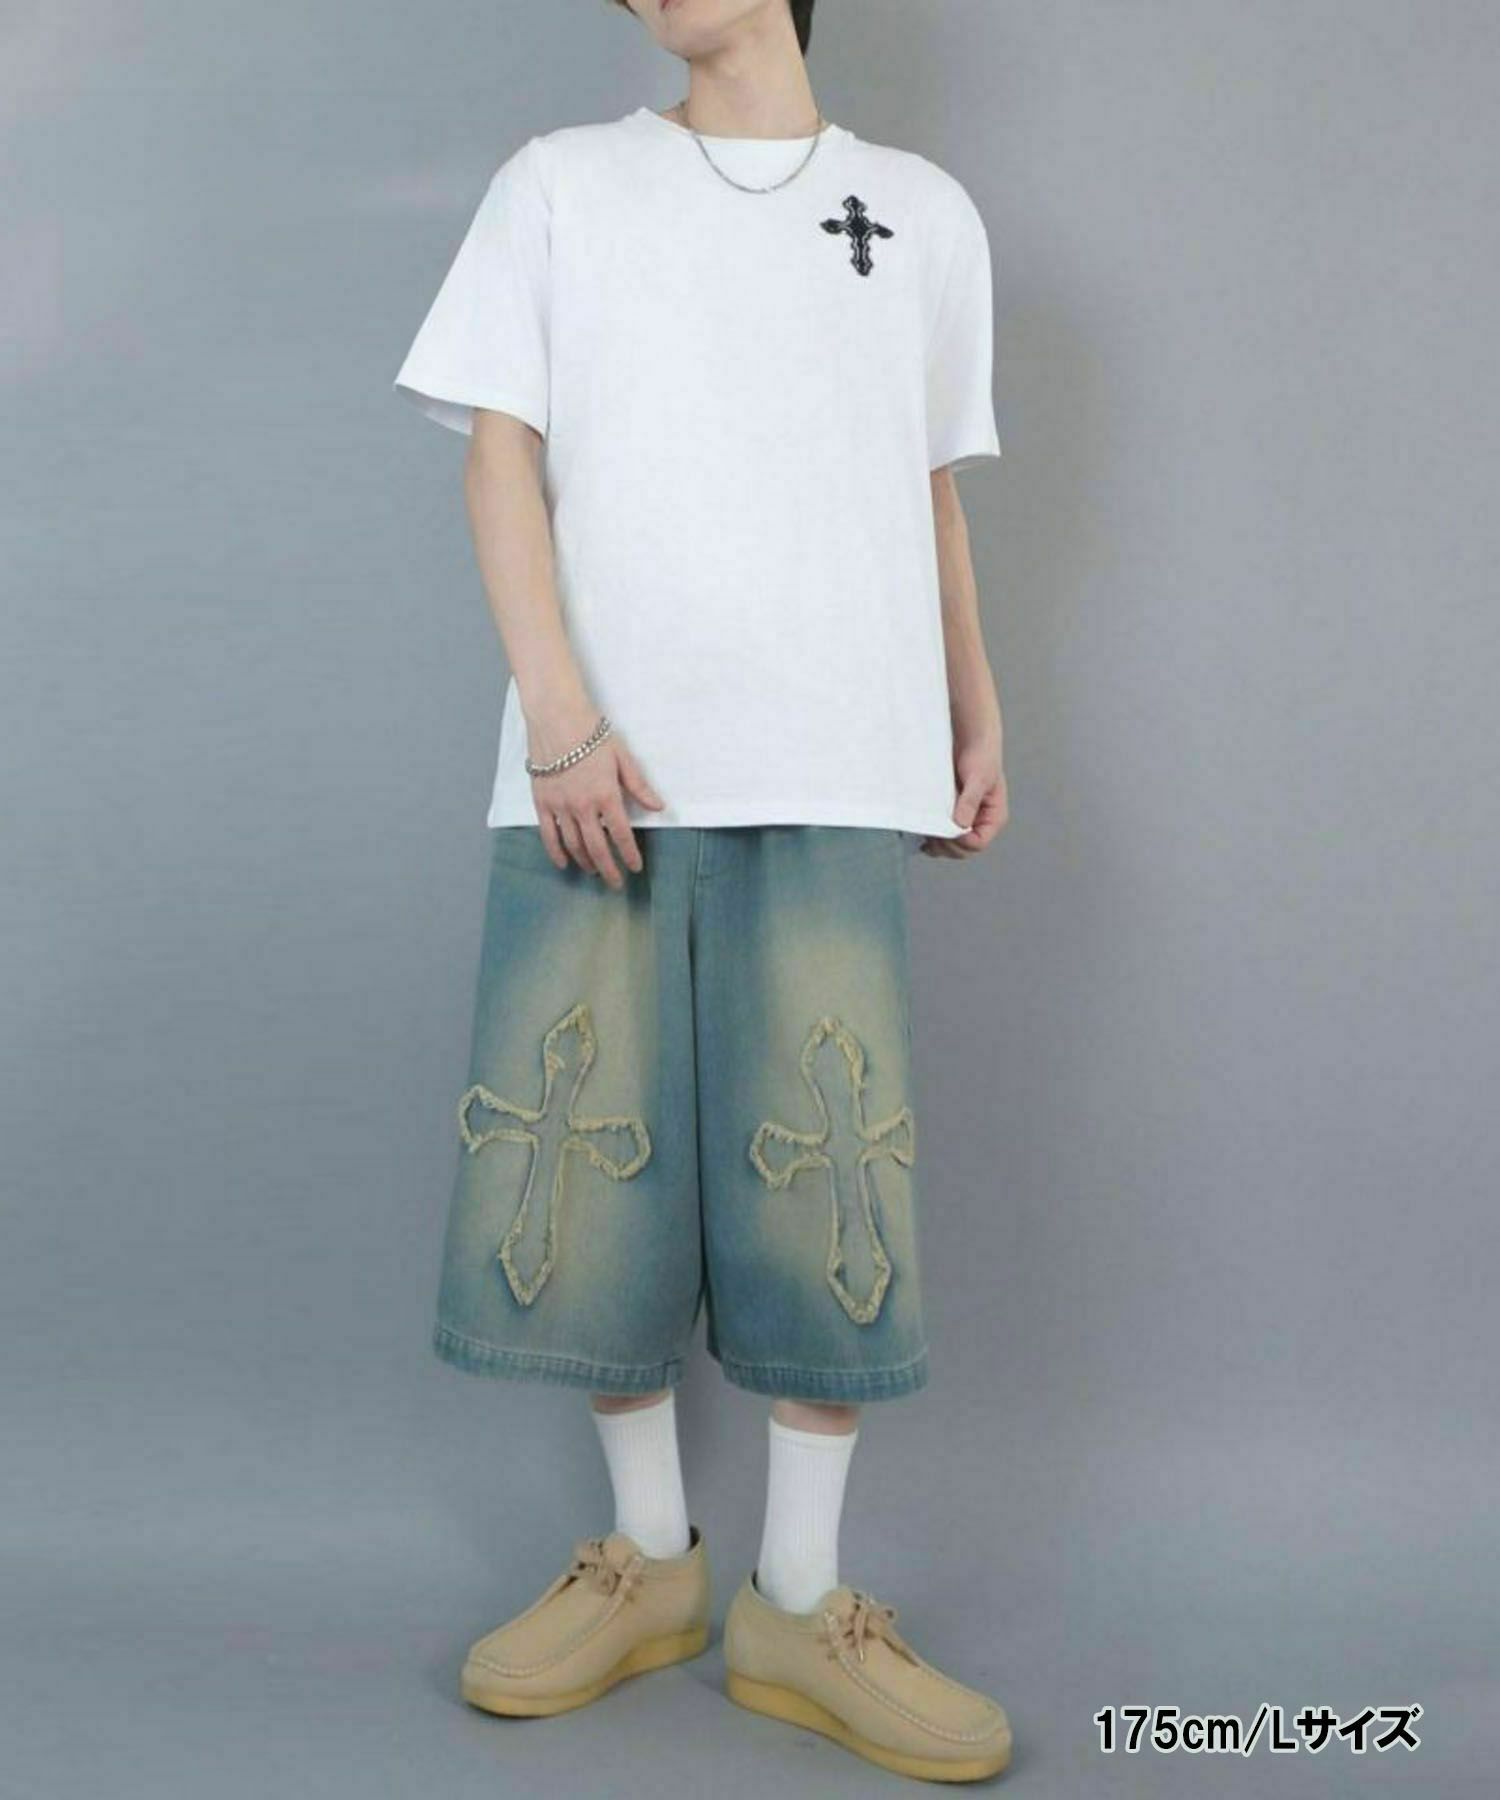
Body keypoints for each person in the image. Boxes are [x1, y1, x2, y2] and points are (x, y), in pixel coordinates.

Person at [393, 0, 1011, 1780]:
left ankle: (800, 1600)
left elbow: (926, 485)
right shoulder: (561, 185)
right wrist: (559, 718)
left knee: (834, 1168)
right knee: (587, 1157)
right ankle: (648, 1556)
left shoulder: (920, 212)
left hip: (834, 754)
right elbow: (497, 453)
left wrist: (975, 704)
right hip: (606, 771)